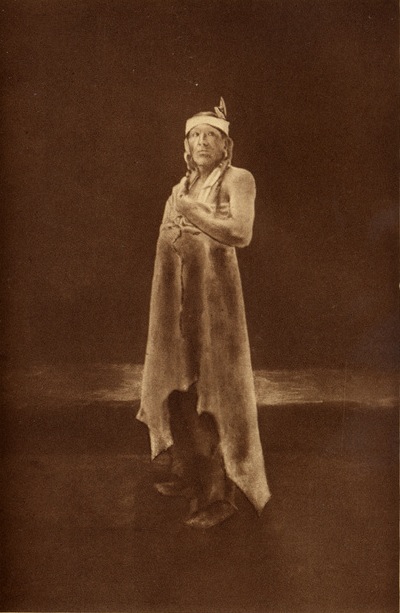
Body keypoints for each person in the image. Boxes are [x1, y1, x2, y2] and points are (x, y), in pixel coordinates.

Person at [137, 98, 270, 529]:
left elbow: (241, 233)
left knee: (215, 394)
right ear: (186, 145)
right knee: (178, 385)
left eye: (211, 136)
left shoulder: (238, 179)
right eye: (195, 136)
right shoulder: (181, 187)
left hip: (216, 307)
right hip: (177, 304)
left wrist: (193, 213)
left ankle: (218, 496)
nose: (202, 142)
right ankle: (187, 472)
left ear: (226, 145)